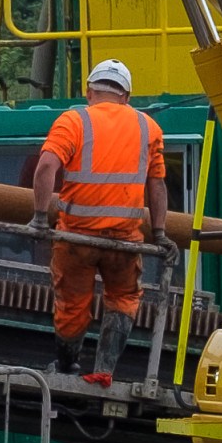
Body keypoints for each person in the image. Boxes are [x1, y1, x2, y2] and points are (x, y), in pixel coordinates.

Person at [29, 57, 172, 381]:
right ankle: (105, 371)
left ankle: (67, 367)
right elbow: (157, 184)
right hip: (124, 240)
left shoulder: (73, 121)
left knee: (73, 302)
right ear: (126, 95)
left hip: (77, 238)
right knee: (123, 298)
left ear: (89, 91)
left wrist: (39, 218)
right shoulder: (148, 127)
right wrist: (160, 233)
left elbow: (46, 167)